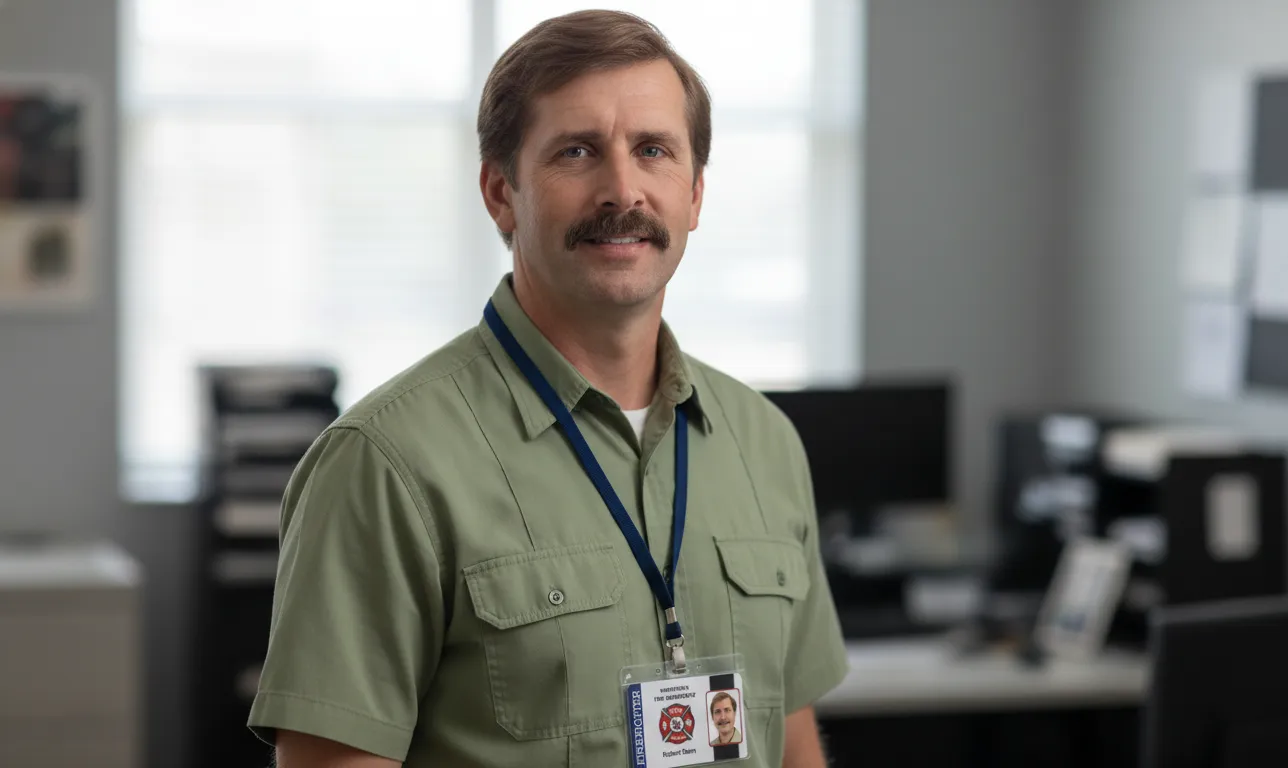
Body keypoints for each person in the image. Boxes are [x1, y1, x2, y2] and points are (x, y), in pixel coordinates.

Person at [246, 9, 849, 768]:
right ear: (501, 192)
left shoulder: (765, 442)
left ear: (695, 194)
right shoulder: (384, 463)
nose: (622, 189)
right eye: (577, 151)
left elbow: (790, 740)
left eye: (653, 150)